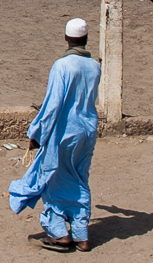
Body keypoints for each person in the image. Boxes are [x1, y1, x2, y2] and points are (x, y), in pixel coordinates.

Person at [8, 18, 102, 252]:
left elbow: (52, 105)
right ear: (86, 39)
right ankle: (81, 234)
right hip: (87, 132)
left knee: (53, 178)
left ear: (66, 38)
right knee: (79, 178)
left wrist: (37, 133)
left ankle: (58, 231)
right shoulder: (95, 66)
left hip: (63, 132)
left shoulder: (62, 66)